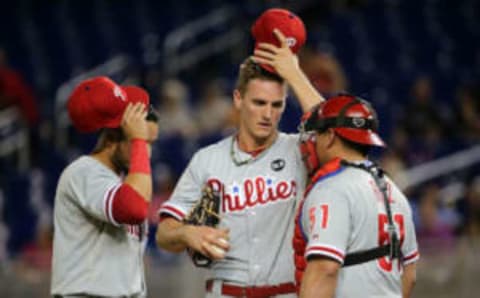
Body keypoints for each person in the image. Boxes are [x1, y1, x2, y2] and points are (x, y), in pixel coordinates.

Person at [156, 9, 323, 298]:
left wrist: (295, 74)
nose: (268, 114)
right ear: (238, 99)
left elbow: (338, 132)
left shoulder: (298, 149)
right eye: (259, 102)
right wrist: (186, 233)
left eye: (276, 105)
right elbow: (164, 233)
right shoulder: (207, 160)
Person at [293, 94, 419, 298]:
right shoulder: (393, 189)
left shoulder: (331, 189)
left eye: (318, 135)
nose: (313, 142)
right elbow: (410, 274)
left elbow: (325, 269)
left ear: (331, 136)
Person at [51, 76, 159, 298]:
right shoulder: (83, 172)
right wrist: (139, 141)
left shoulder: (123, 182)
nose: (147, 152)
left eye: (150, 143)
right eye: (140, 141)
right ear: (111, 140)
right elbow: (133, 209)